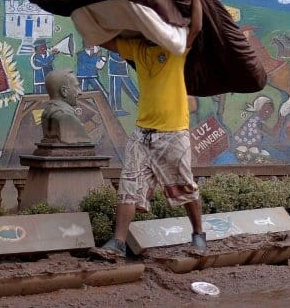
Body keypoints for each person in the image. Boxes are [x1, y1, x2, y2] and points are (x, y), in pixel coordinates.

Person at [90, 36, 205, 259]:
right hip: (142, 133)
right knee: (128, 185)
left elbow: (196, 29)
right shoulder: (137, 48)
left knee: (184, 185)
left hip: (173, 133)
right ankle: (118, 243)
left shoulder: (176, 49)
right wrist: (86, 18)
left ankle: (199, 235)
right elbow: (105, 40)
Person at [41, 69, 91, 144]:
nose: (80, 92)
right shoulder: (66, 116)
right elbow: (83, 143)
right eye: (76, 87)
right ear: (64, 91)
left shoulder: (47, 112)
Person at [107, 51, 140, 116]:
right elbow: (117, 57)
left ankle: (141, 104)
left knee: (130, 88)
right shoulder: (112, 49)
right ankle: (116, 110)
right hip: (115, 72)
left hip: (123, 72)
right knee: (115, 90)